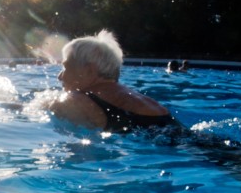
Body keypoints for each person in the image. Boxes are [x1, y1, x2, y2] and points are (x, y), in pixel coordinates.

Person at [46, 30, 177, 132]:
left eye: (66, 67)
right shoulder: (146, 102)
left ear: (89, 71)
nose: (60, 76)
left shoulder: (76, 100)